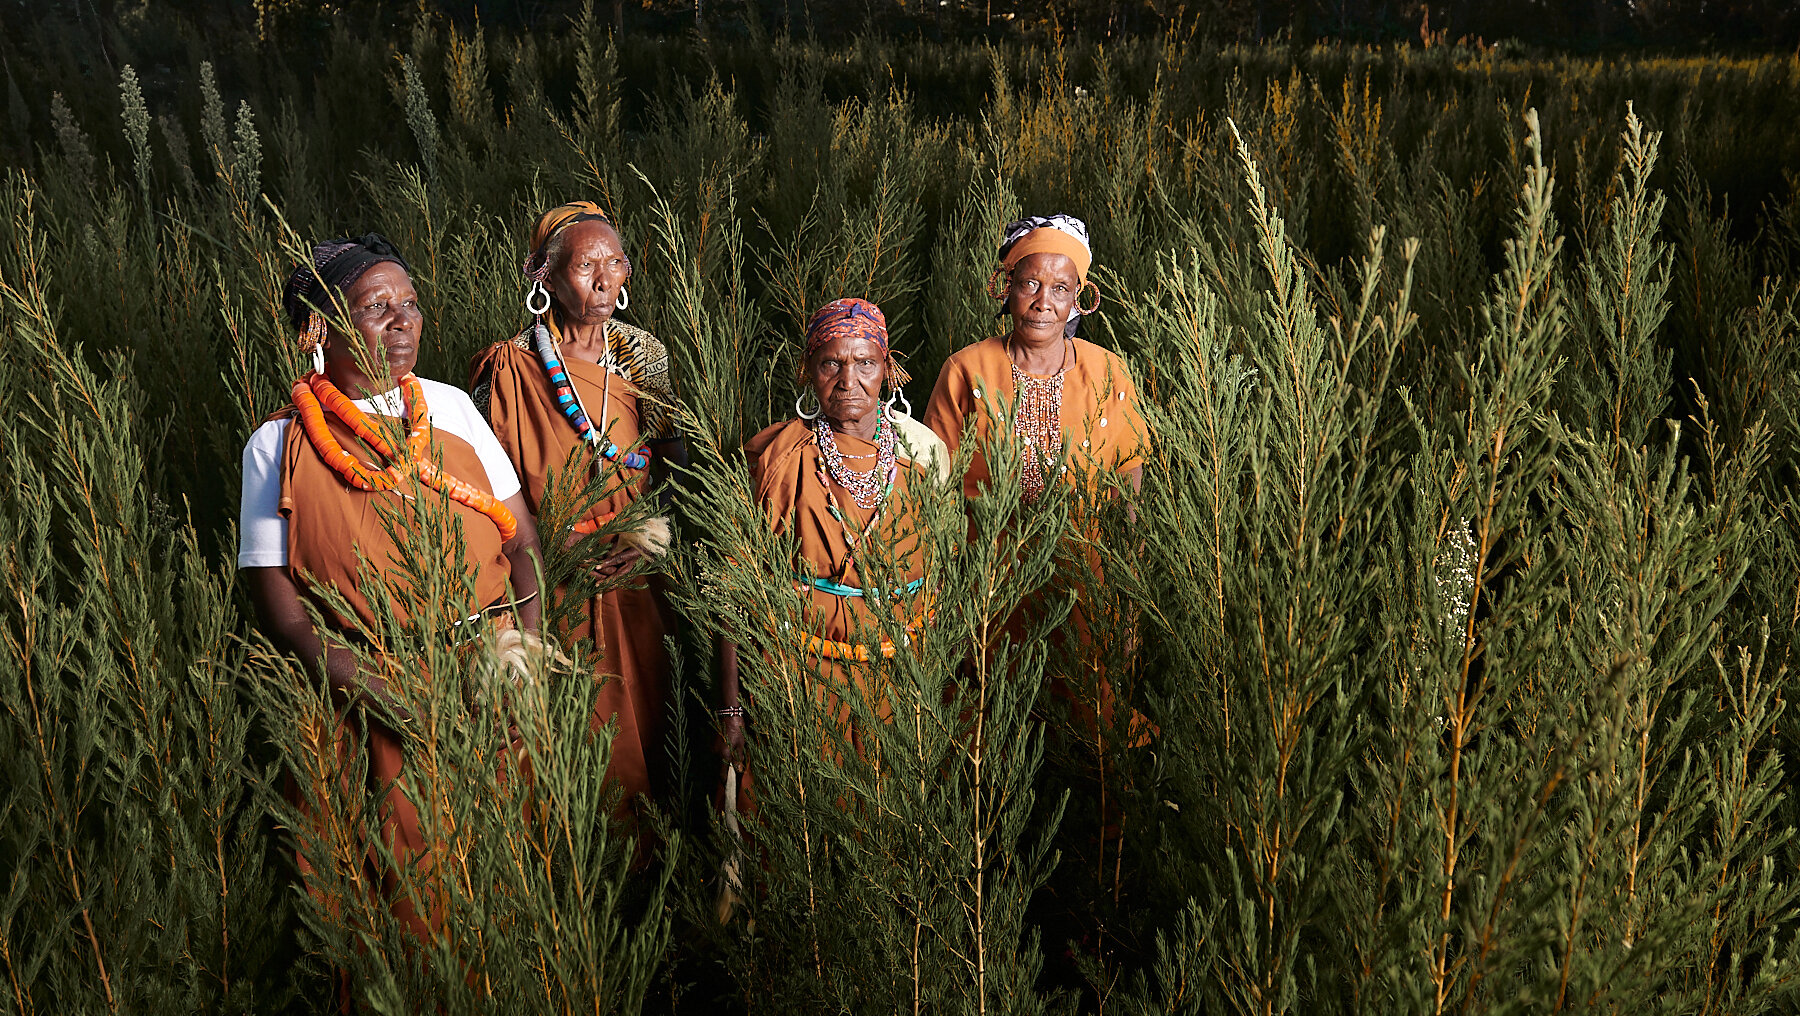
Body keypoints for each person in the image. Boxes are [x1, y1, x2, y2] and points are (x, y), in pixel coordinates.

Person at [238, 233, 543, 940]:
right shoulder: (277, 447)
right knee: (406, 913)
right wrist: (384, 694)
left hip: (489, 686)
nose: (404, 321)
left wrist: (523, 651)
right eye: (378, 307)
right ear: (321, 327)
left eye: (410, 303)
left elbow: (521, 543)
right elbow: (286, 621)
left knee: (511, 894)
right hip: (366, 698)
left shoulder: (452, 411)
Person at [470, 201, 680, 805]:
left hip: (635, 573)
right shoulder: (510, 366)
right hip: (552, 578)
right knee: (575, 742)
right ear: (546, 276)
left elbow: (672, 461)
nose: (603, 278)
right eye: (585, 265)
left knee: (653, 732)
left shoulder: (644, 355)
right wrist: (550, 540)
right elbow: (489, 487)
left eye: (614, 263)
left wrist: (650, 536)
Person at [719, 298, 941, 772]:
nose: (848, 380)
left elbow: (946, 575)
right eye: (831, 363)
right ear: (807, 372)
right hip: (802, 681)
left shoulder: (922, 453)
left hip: (900, 680)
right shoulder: (777, 456)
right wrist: (732, 712)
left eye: (865, 363)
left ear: (888, 370)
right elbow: (735, 593)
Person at [923, 214, 1144, 501]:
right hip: (986, 545)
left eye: (1060, 288)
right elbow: (936, 479)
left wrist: (1129, 544)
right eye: (1030, 283)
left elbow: (1128, 470)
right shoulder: (965, 369)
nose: (1043, 303)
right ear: (1009, 287)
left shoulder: (1109, 371)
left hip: (1085, 545)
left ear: (1077, 296)